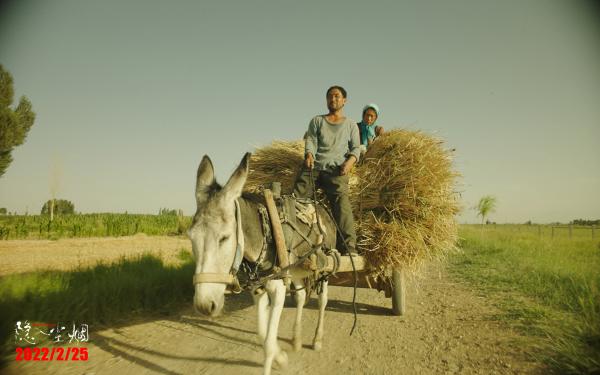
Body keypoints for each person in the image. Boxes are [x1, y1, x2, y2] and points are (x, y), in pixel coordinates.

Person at [293, 85, 361, 255]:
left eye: (337, 96)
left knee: (341, 204)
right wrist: (309, 154)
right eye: (330, 96)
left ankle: (349, 246)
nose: (333, 99)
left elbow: (356, 149)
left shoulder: (351, 125)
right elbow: (311, 141)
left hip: (336, 170)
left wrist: (349, 163)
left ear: (344, 101)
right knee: (296, 199)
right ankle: (291, 239)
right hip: (314, 168)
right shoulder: (317, 121)